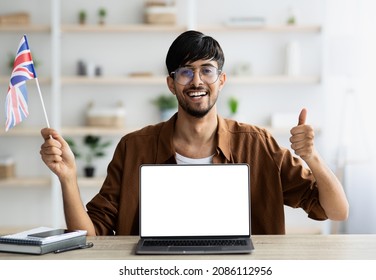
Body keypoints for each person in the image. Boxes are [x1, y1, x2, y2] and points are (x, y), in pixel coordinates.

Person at [40, 30, 349, 236]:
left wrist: (312, 157)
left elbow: (336, 211)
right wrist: (68, 178)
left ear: (222, 79)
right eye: (185, 71)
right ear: (171, 83)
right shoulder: (134, 146)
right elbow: (90, 235)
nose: (196, 80)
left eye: (207, 70)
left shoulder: (258, 144)